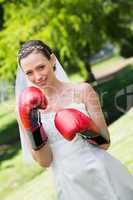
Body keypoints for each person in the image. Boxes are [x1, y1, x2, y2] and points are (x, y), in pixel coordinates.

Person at [15, 40, 133, 200]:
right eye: (29, 72)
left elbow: (105, 143)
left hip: (101, 170)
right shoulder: (26, 109)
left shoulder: (83, 91)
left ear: (52, 60)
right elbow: (45, 161)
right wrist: (33, 124)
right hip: (69, 183)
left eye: (41, 67)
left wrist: (84, 128)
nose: (37, 77)